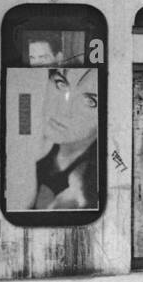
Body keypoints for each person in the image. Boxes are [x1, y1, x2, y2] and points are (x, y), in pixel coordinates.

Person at [30, 68, 98, 210]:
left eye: (90, 101)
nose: (64, 109)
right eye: (61, 84)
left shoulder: (90, 187)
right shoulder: (36, 145)